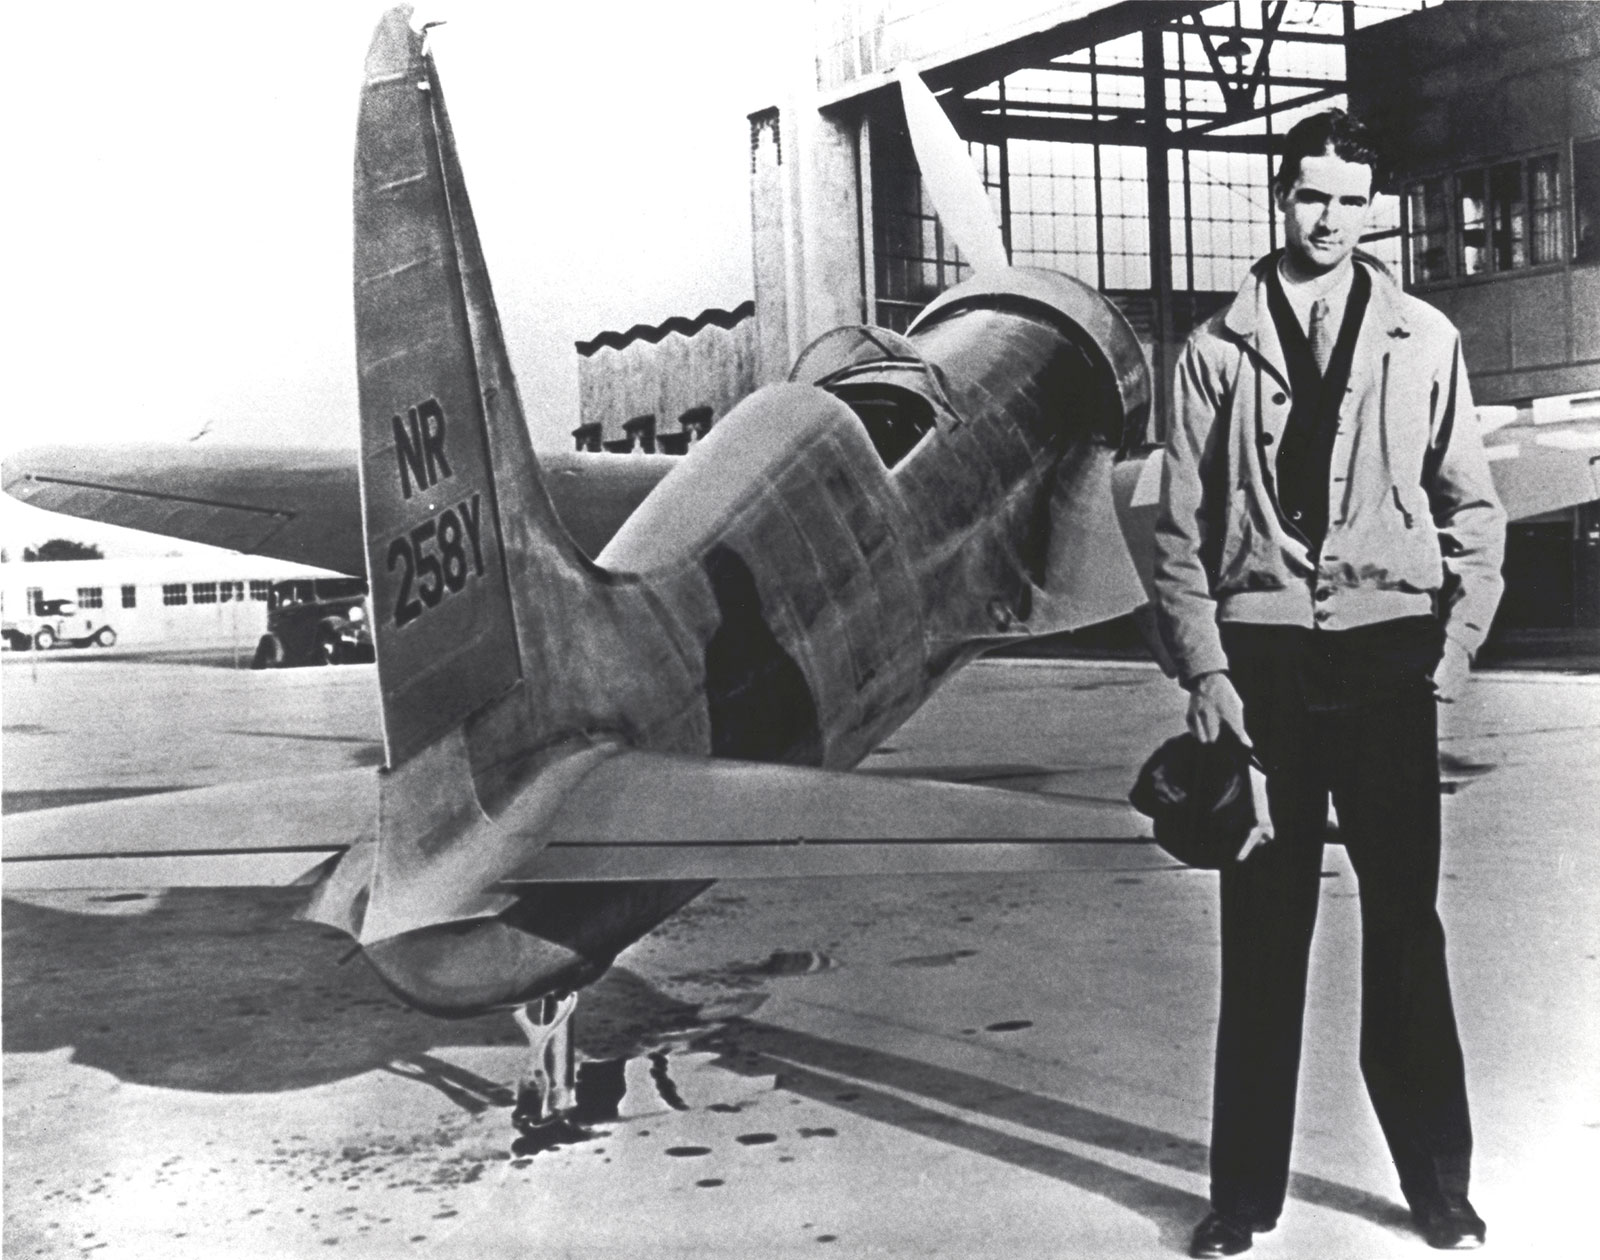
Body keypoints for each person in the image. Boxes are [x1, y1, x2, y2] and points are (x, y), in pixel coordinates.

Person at [1153, 109, 1506, 1257]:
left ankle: (1436, 1187)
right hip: (1261, 667)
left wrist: (1447, 661)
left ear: (1373, 210)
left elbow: (1472, 512)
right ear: (1279, 197)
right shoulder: (1214, 350)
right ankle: (1242, 1198)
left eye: (1352, 200)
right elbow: (1178, 532)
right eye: (1312, 196)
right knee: (1263, 935)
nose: (1330, 219)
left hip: (1386, 654)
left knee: (1405, 930)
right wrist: (1204, 666)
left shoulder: (1423, 339)